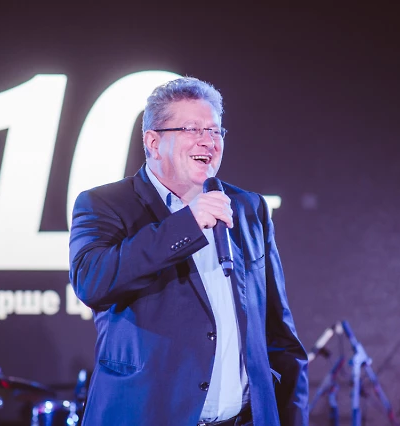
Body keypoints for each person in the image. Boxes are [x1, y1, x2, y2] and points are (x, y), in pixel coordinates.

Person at [69, 77, 308, 426]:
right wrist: (186, 224)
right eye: (192, 129)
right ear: (153, 142)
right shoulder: (105, 203)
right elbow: (92, 282)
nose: (208, 141)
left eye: (214, 130)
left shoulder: (247, 207)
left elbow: (279, 333)